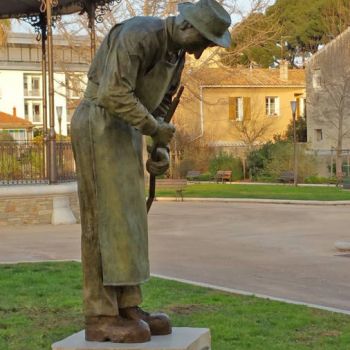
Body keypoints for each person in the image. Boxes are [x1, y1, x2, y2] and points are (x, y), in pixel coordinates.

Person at [71, 0, 231, 343]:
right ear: (187, 27)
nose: (203, 52)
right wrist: (153, 129)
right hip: (98, 123)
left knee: (128, 223)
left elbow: (159, 109)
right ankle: (100, 314)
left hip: (126, 128)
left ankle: (128, 306)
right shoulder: (139, 35)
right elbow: (114, 93)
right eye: (204, 41)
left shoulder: (176, 56)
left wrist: (159, 146)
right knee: (103, 220)